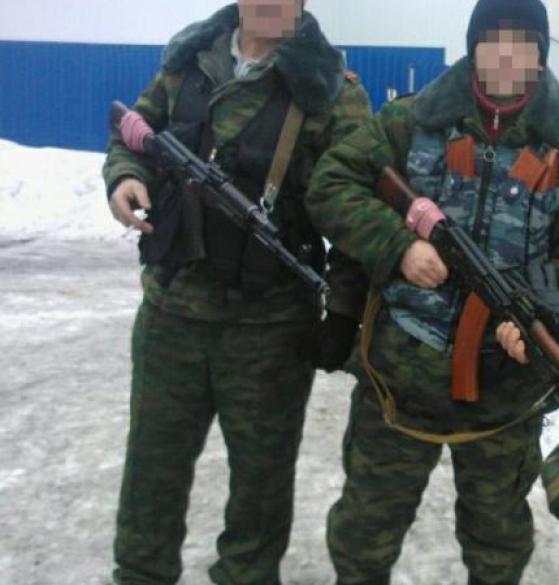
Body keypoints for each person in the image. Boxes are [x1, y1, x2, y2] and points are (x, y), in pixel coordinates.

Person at [305, 0, 559, 583]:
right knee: (364, 534)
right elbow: (331, 184)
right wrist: (397, 247)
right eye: (494, 40)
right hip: (399, 379)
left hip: (504, 396)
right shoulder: (412, 119)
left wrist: (541, 319)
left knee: (497, 545)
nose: (507, 56)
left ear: (540, 54)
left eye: (523, 43)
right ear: (474, 48)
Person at [102, 1, 370, 583]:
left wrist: (344, 311)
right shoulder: (188, 61)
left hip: (270, 330)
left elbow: (356, 208)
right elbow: (134, 132)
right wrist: (125, 177)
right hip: (171, 313)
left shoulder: (330, 89)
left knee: (260, 488)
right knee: (151, 471)